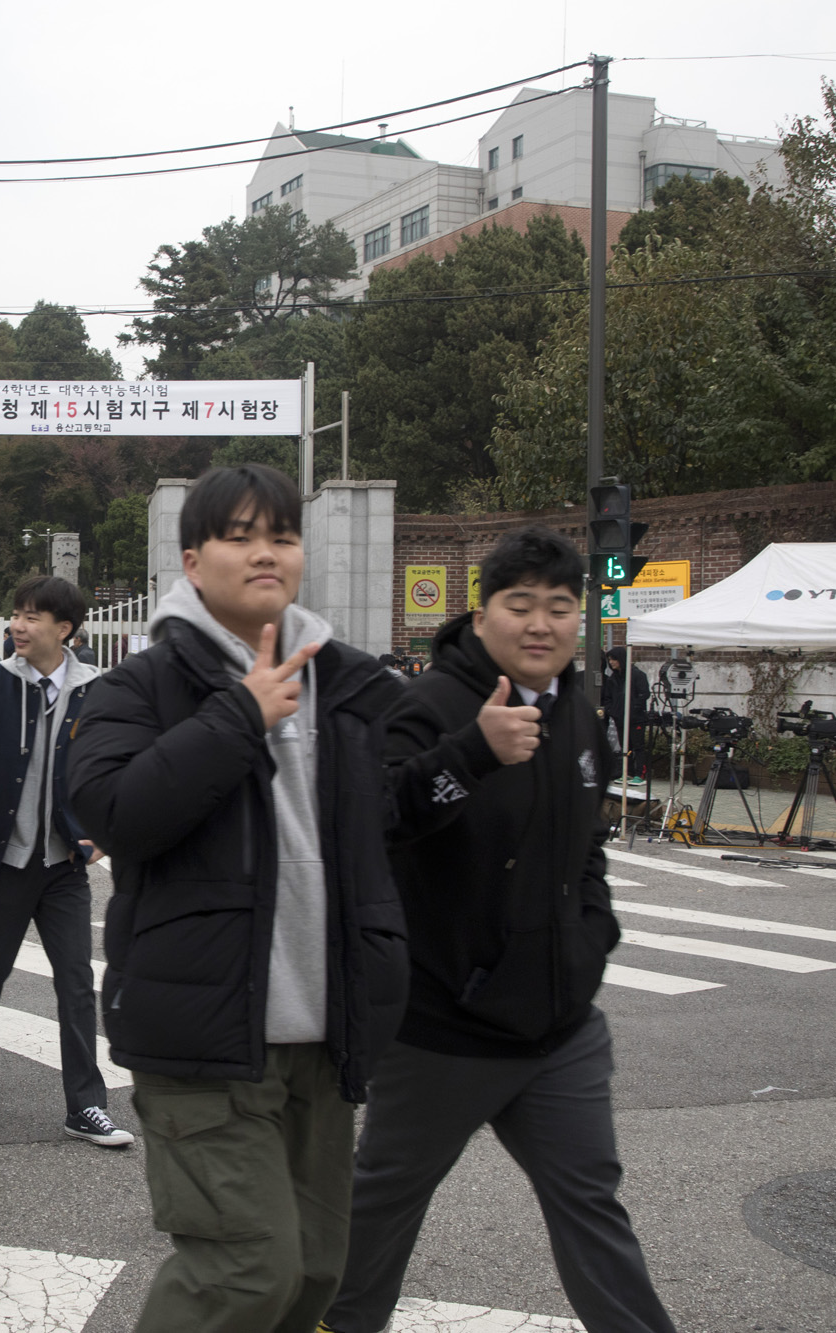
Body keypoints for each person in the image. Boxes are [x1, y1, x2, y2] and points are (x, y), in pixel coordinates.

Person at [71, 466, 495, 1333]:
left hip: (323, 1038)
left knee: (312, 1276)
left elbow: (390, 818)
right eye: (239, 534)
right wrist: (240, 715)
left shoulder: (346, 687)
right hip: (206, 1040)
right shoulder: (139, 687)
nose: (266, 551)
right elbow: (114, 811)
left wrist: (474, 754)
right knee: (243, 1275)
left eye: (283, 535)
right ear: (192, 561)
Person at [322, 526, 674, 1333]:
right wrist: (471, 753)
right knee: (378, 1210)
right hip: (442, 1031)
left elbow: (586, 846)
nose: (541, 623)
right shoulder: (428, 704)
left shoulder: (578, 714)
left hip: (558, 1026)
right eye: (521, 605)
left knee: (592, 1204)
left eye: (559, 606)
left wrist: (593, 937)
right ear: (481, 617)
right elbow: (372, 819)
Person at [0, 575, 129, 1149]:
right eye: (15, 614)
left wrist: (103, 832)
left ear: (63, 628)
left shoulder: (97, 690)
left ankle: (85, 1106)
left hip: (64, 865)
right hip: (3, 859)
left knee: (76, 981)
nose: (17, 625)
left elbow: (111, 770)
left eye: (31, 617)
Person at [601, 644, 653, 784]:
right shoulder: (613, 678)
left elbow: (644, 694)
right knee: (626, 747)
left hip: (636, 718)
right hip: (619, 719)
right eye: (610, 660)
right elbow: (608, 698)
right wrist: (612, 711)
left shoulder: (637, 675)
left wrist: (634, 708)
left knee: (638, 746)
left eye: (614, 659)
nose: (611, 662)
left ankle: (640, 774)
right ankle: (628, 772)